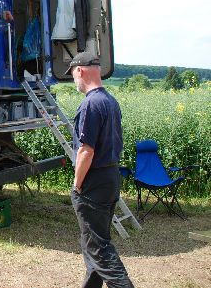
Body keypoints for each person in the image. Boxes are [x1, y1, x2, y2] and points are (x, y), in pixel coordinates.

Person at [66, 52, 133, 288]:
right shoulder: (110, 101)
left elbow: (86, 150)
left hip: (94, 182)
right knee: (93, 241)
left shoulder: (90, 104)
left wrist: (77, 184)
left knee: (99, 248)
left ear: (80, 71)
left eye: (72, 74)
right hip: (110, 177)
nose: (74, 80)